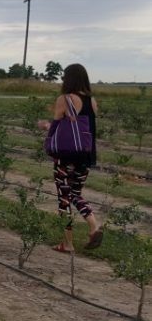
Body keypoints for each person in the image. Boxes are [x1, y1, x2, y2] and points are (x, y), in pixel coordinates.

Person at [38, 63, 103, 252]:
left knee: (64, 198)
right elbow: (83, 128)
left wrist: (44, 127)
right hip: (86, 155)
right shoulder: (92, 101)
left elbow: (57, 126)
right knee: (76, 194)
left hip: (66, 157)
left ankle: (67, 243)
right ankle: (94, 225)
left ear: (69, 79)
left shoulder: (65, 99)